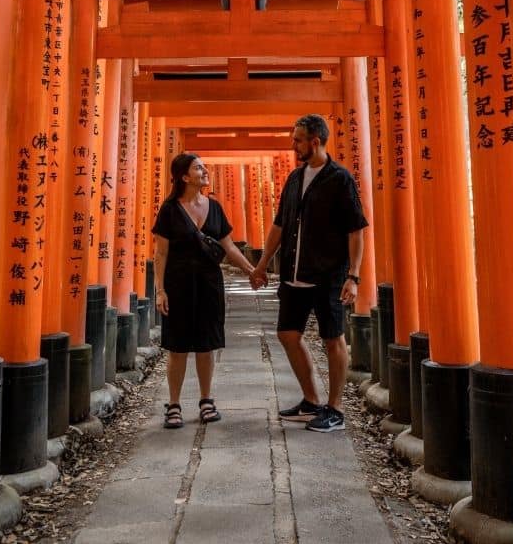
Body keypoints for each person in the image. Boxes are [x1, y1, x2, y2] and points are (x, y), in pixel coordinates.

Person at [250, 114, 367, 433]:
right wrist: (261, 265)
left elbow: (355, 230)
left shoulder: (339, 179)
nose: (293, 144)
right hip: (292, 272)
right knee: (288, 334)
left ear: (314, 142)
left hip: (328, 273)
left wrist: (353, 276)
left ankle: (335, 409)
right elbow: (279, 225)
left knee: (333, 339)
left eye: (298, 139)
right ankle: (312, 400)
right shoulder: (293, 179)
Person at [153, 153, 257, 429]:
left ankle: (206, 400)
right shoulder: (170, 209)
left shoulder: (214, 207)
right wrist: (160, 290)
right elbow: (161, 253)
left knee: (206, 344)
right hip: (178, 284)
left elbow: (229, 247)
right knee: (177, 346)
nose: (204, 171)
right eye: (198, 168)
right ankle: (173, 404)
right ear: (185, 177)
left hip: (210, 284)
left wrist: (252, 271)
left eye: (204, 166)